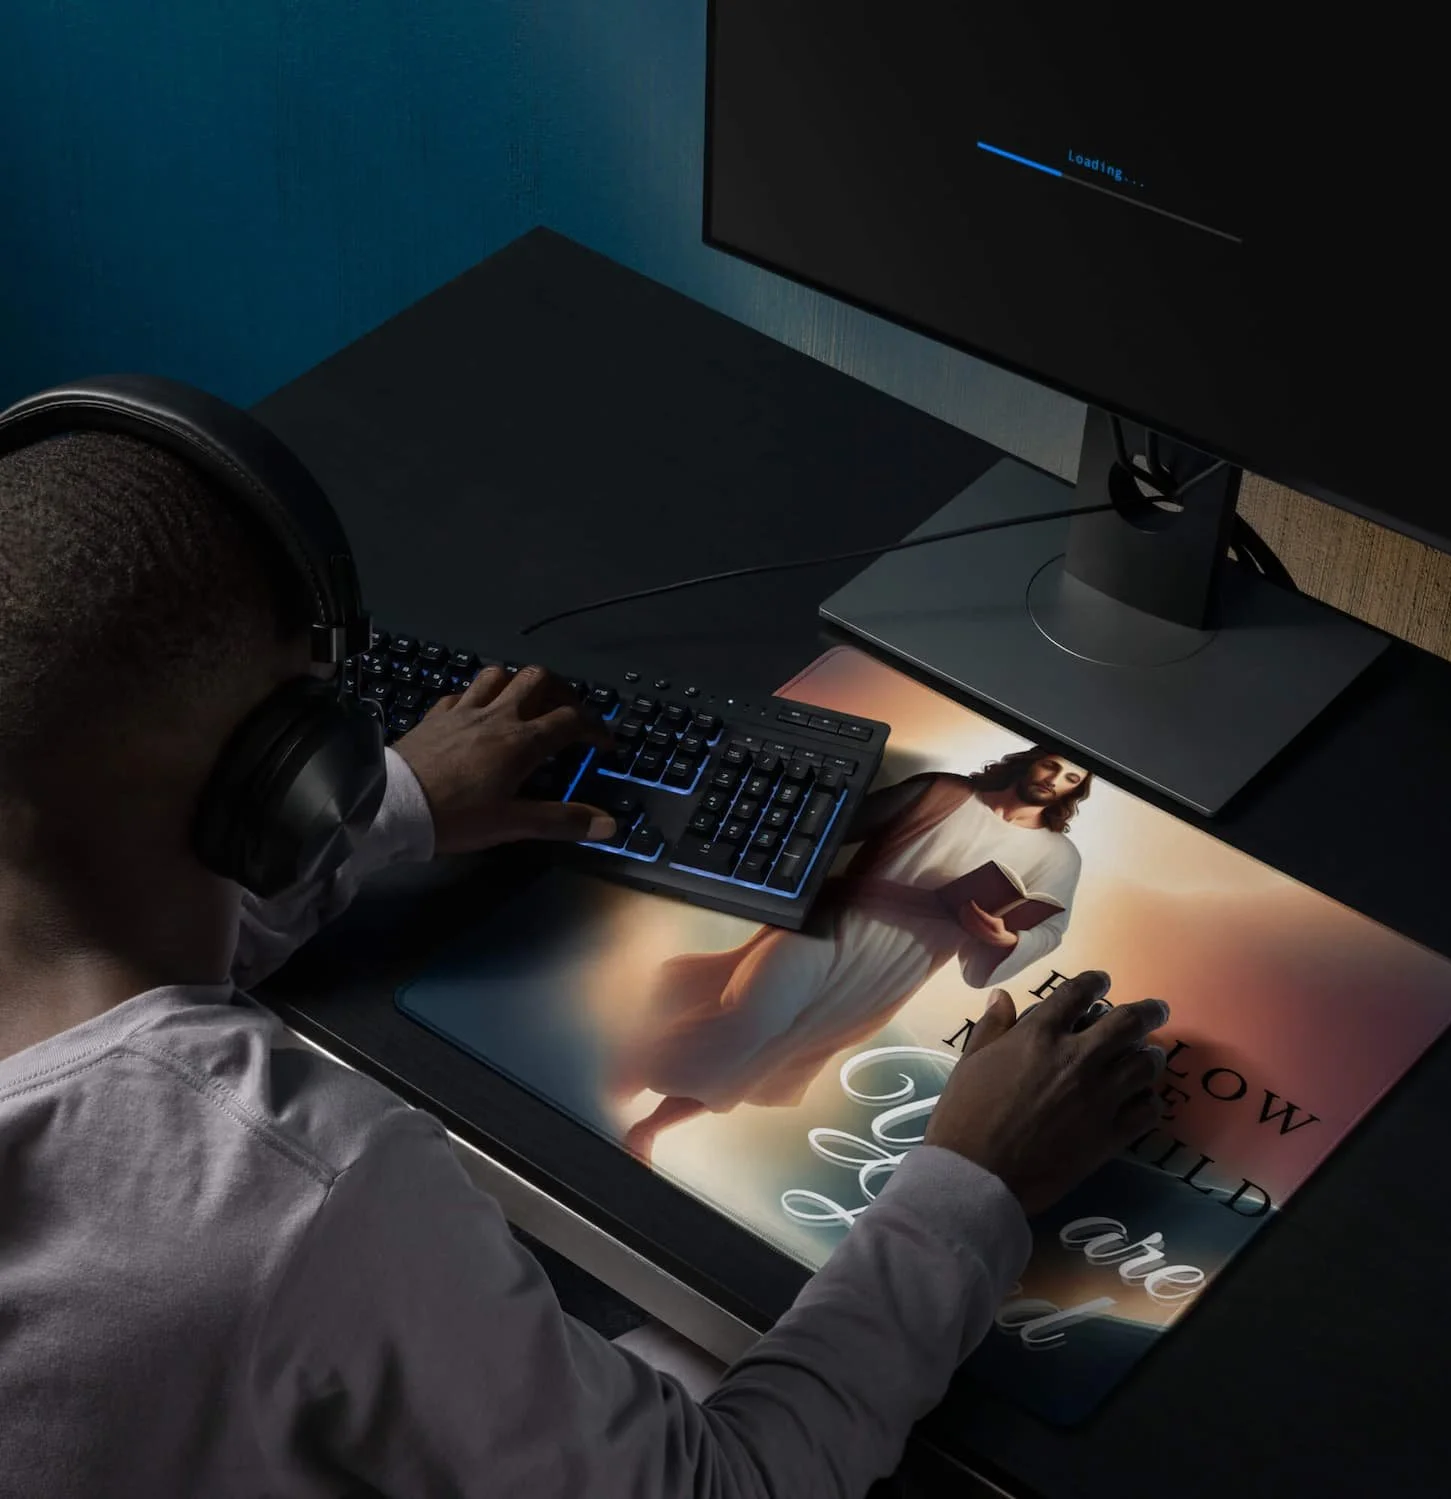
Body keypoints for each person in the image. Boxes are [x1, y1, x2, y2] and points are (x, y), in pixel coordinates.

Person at [0, 428, 1169, 1499]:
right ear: (290, 776)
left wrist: (395, 804)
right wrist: (970, 1179)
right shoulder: (295, 1189)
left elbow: (112, 904)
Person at [618, 751, 1090, 1162]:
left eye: (1070, 778)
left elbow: (1050, 930)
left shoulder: (1059, 856)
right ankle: (629, 1075)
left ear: (1076, 791)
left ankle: (649, 1129)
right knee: (755, 1017)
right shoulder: (942, 792)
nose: (1055, 780)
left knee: (774, 1050)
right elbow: (830, 826)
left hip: (902, 963)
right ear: (1030, 761)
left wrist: (1005, 939)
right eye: (1052, 766)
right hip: (839, 919)